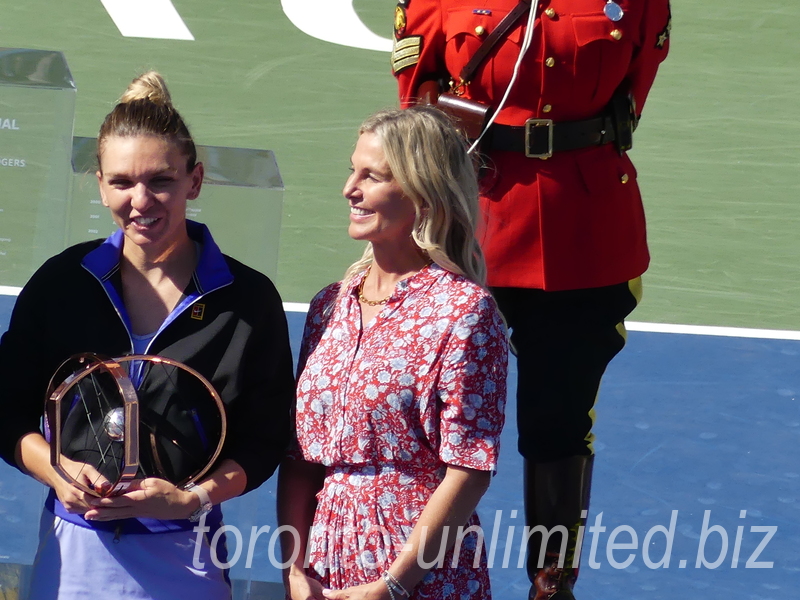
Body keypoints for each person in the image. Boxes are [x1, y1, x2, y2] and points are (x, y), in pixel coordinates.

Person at [391, 1, 671, 598]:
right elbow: (417, 110)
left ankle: (552, 584)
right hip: (468, 224)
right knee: (434, 423)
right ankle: (418, 576)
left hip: (583, 230)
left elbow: (630, 96)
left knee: (558, 422)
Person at [0, 71, 295, 599]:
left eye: (160, 180)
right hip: (72, 560)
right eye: (121, 182)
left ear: (194, 181)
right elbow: (5, 410)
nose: (141, 200)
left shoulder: (247, 300)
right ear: (99, 183)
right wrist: (57, 471)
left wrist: (191, 498)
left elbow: (264, 440)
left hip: (187, 557)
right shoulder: (62, 283)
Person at [278, 106, 508, 600]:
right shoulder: (328, 306)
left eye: (372, 176)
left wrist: (394, 586)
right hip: (323, 564)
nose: (349, 190)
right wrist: (293, 570)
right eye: (351, 171)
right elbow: (300, 457)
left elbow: (468, 470)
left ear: (422, 193)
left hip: (419, 574)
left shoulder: (465, 311)